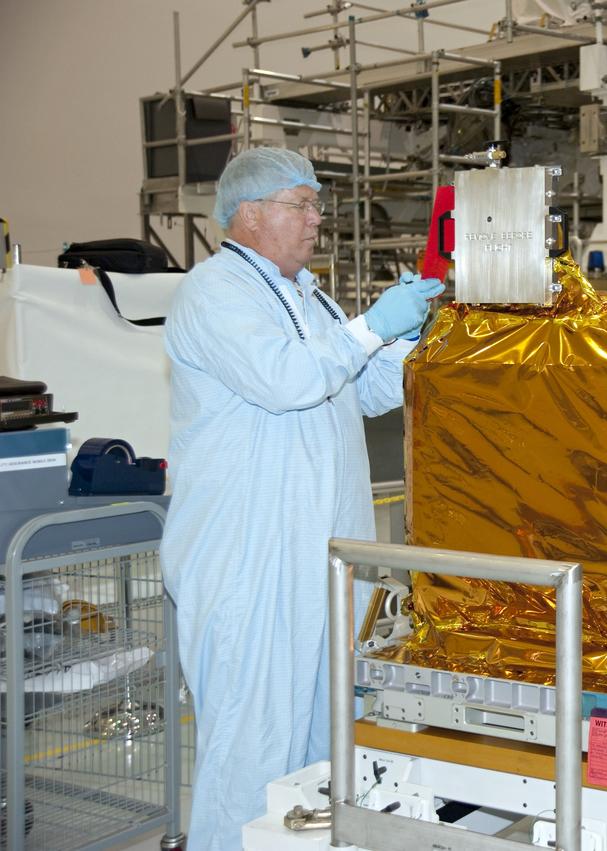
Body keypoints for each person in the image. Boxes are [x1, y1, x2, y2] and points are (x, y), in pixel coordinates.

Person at [160, 147, 443, 849]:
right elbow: (286, 378)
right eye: (301, 204)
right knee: (251, 748)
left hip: (321, 563)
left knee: (323, 750)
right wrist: (372, 325)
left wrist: (403, 342)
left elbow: (361, 391)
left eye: (318, 204)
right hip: (248, 563)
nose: (317, 219)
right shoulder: (214, 290)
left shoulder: (308, 297)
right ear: (249, 216)